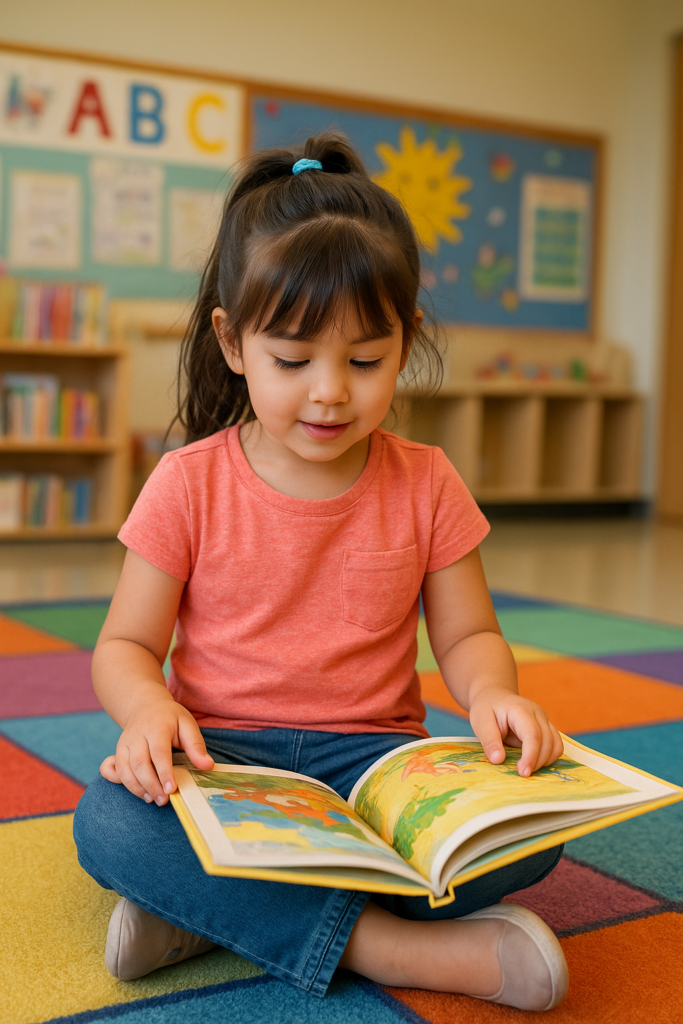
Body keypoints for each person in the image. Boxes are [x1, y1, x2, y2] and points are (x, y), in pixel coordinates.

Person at [73, 132, 568, 1012]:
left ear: (404, 339)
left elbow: (468, 633)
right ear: (232, 342)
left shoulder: (427, 482)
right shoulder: (188, 481)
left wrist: (493, 693)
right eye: (293, 362)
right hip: (224, 763)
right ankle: (385, 947)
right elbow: (124, 643)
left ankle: (205, 916)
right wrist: (149, 711)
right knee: (109, 821)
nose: (330, 392)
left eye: (364, 360)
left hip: (375, 767)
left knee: (531, 832)